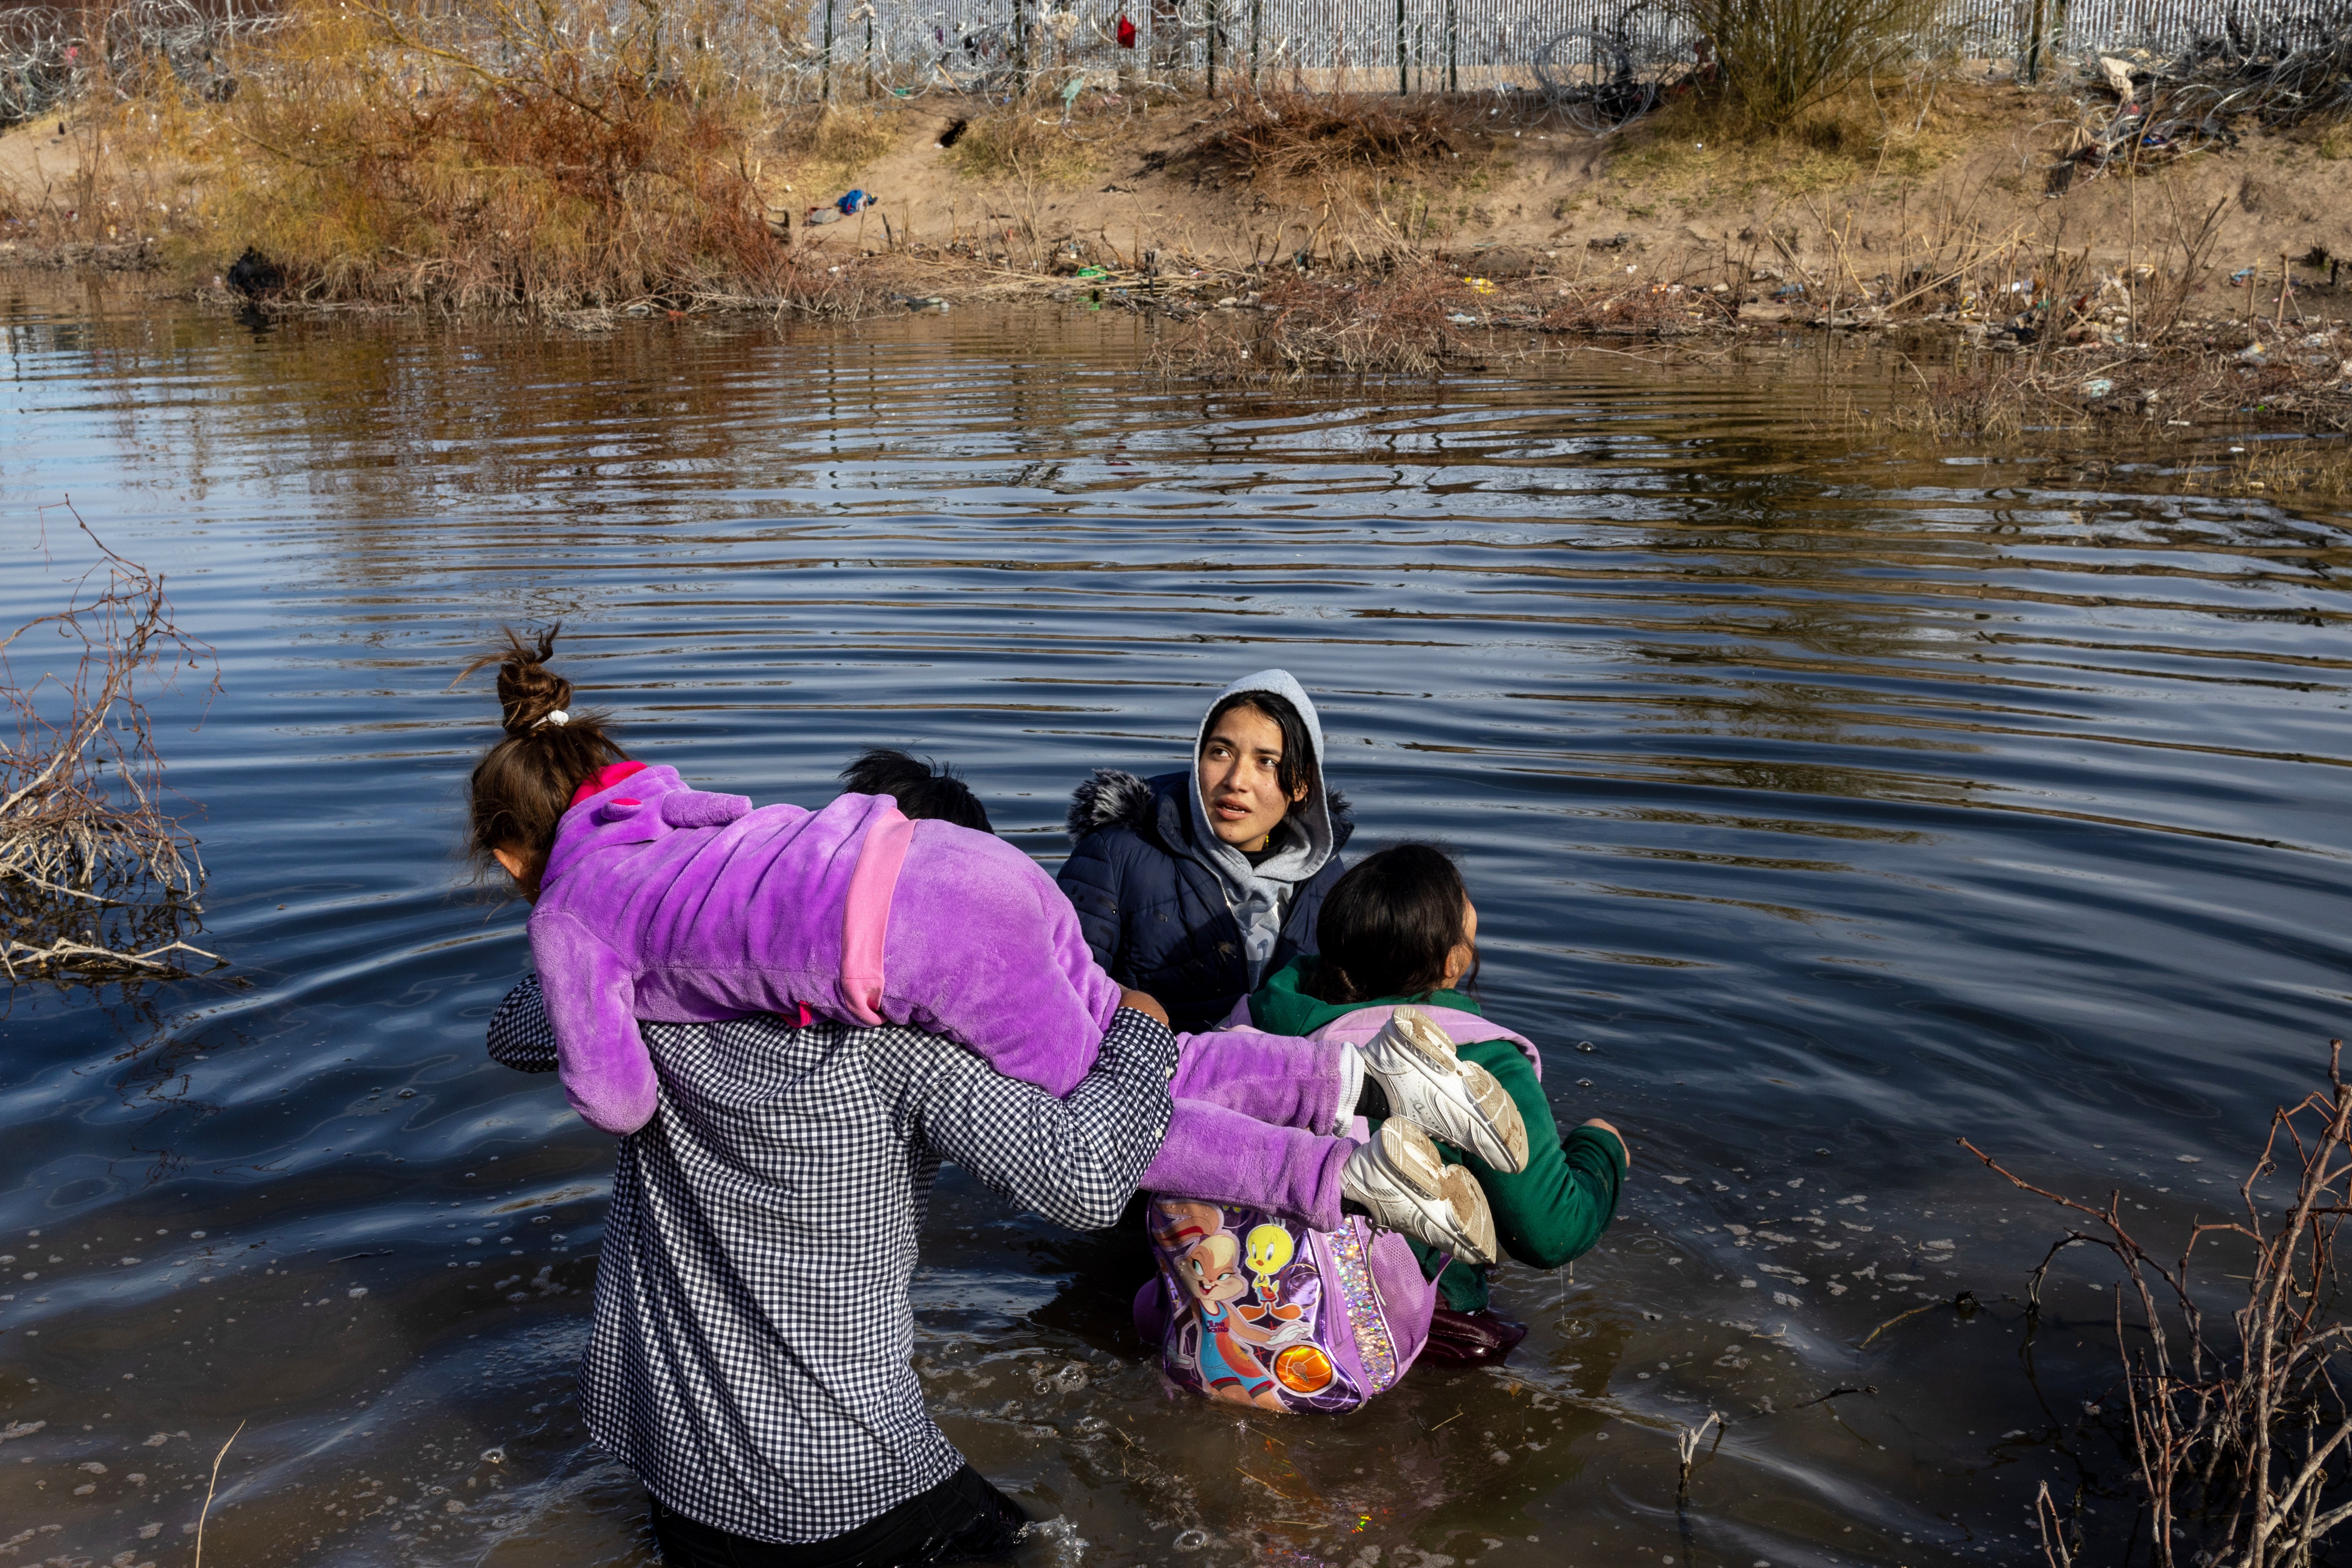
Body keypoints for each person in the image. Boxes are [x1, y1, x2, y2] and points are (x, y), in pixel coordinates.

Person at [457, 628, 1520, 1260]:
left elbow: (619, 1100)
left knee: (1114, 1117)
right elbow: (743, 821)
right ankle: (1360, 1073)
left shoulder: (567, 910)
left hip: (924, 937)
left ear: (513, 855)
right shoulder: (653, 800)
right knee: (1147, 1049)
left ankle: (1350, 1177)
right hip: (964, 866)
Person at [484, 976, 1173, 1566]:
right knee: (1035, 1547)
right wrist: (1142, 1031)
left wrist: (635, 942)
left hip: (679, 1470)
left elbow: (514, 1030)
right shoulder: (900, 1053)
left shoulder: (653, 1006)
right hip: (843, 1489)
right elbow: (1088, 1182)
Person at [1242, 843, 1631, 1363]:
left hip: (1253, 1287)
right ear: (1453, 961)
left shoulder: (1261, 1021)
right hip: (1391, 1326)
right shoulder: (1482, 1063)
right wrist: (1599, 1151)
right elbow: (1548, 1234)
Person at [1059, 670, 1348, 1033]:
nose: (1235, 781)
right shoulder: (1117, 855)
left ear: (1303, 783)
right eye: (1220, 752)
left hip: (1283, 1081)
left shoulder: (1325, 874)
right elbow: (1063, 998)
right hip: (1157, 1082)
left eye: (1267, 761)